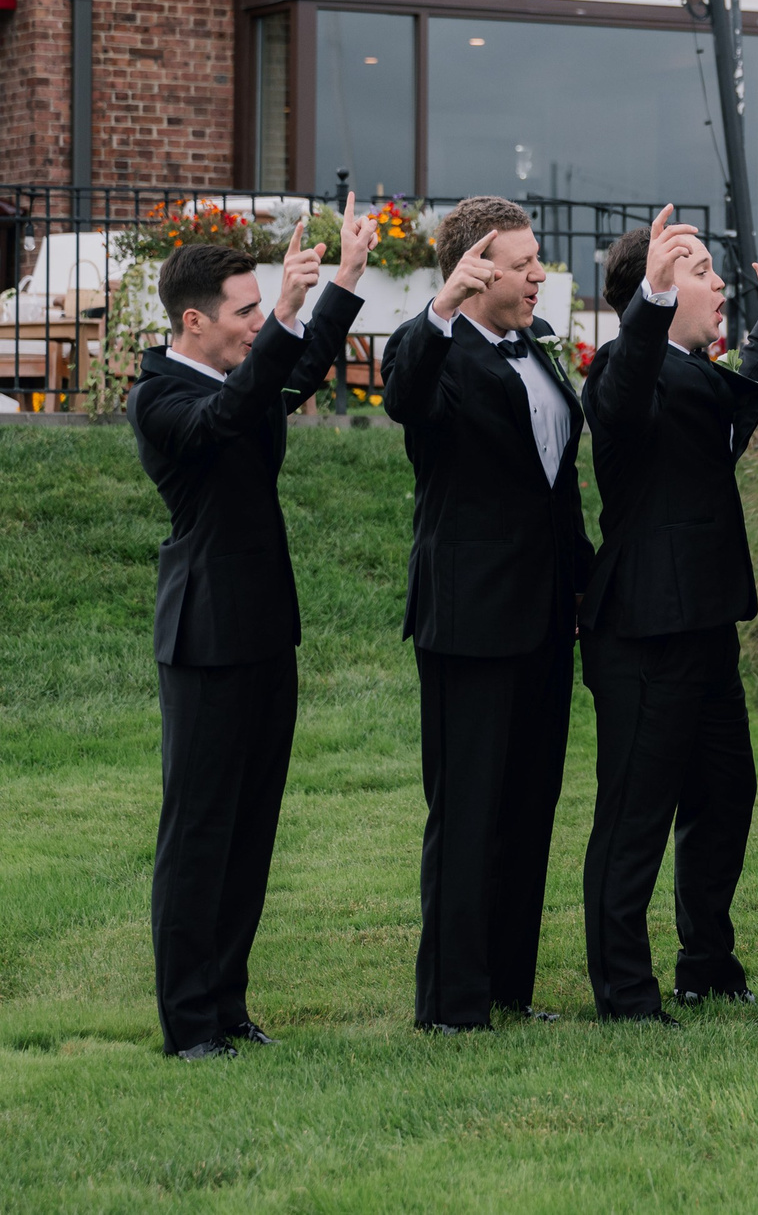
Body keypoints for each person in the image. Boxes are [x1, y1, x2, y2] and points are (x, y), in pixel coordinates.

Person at [128, 200, 375, 1058]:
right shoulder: (156, 397)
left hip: (269, 631)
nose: (253, 323)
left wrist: (341, 280)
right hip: (204, 639)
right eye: (243, 311)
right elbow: (227, 418)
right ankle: (188, 1023)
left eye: (256, 308)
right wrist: (284, 318)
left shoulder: (243, 374)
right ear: (193, 321)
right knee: (198, 833)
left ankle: (229, 1005)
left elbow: (293, 374)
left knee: (250, 830)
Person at [382, 197, 596, 1033]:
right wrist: (438, 309)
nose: (539, 271)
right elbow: (401, 395)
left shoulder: (539, 351)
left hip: (545, 619)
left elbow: (557, 488)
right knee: (467, 810)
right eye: (522, 261)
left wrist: (583, 588)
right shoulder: (433, 352)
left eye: (537, 258)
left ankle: (509, 983)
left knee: (527, 804)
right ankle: (451, 1000)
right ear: (475, 271)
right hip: (470, 619)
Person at [578, 207, 758, 1024]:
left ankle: (706, 958)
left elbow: (734, 412)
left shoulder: (694, 376)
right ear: (655, 291)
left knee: (727, 793)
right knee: (635, 815)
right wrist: (652, 301)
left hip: (705, 624)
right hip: (642, 630)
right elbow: (628, 388)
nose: (716, 281)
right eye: (698, 268)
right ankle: (625, 991)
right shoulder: (618, 374)